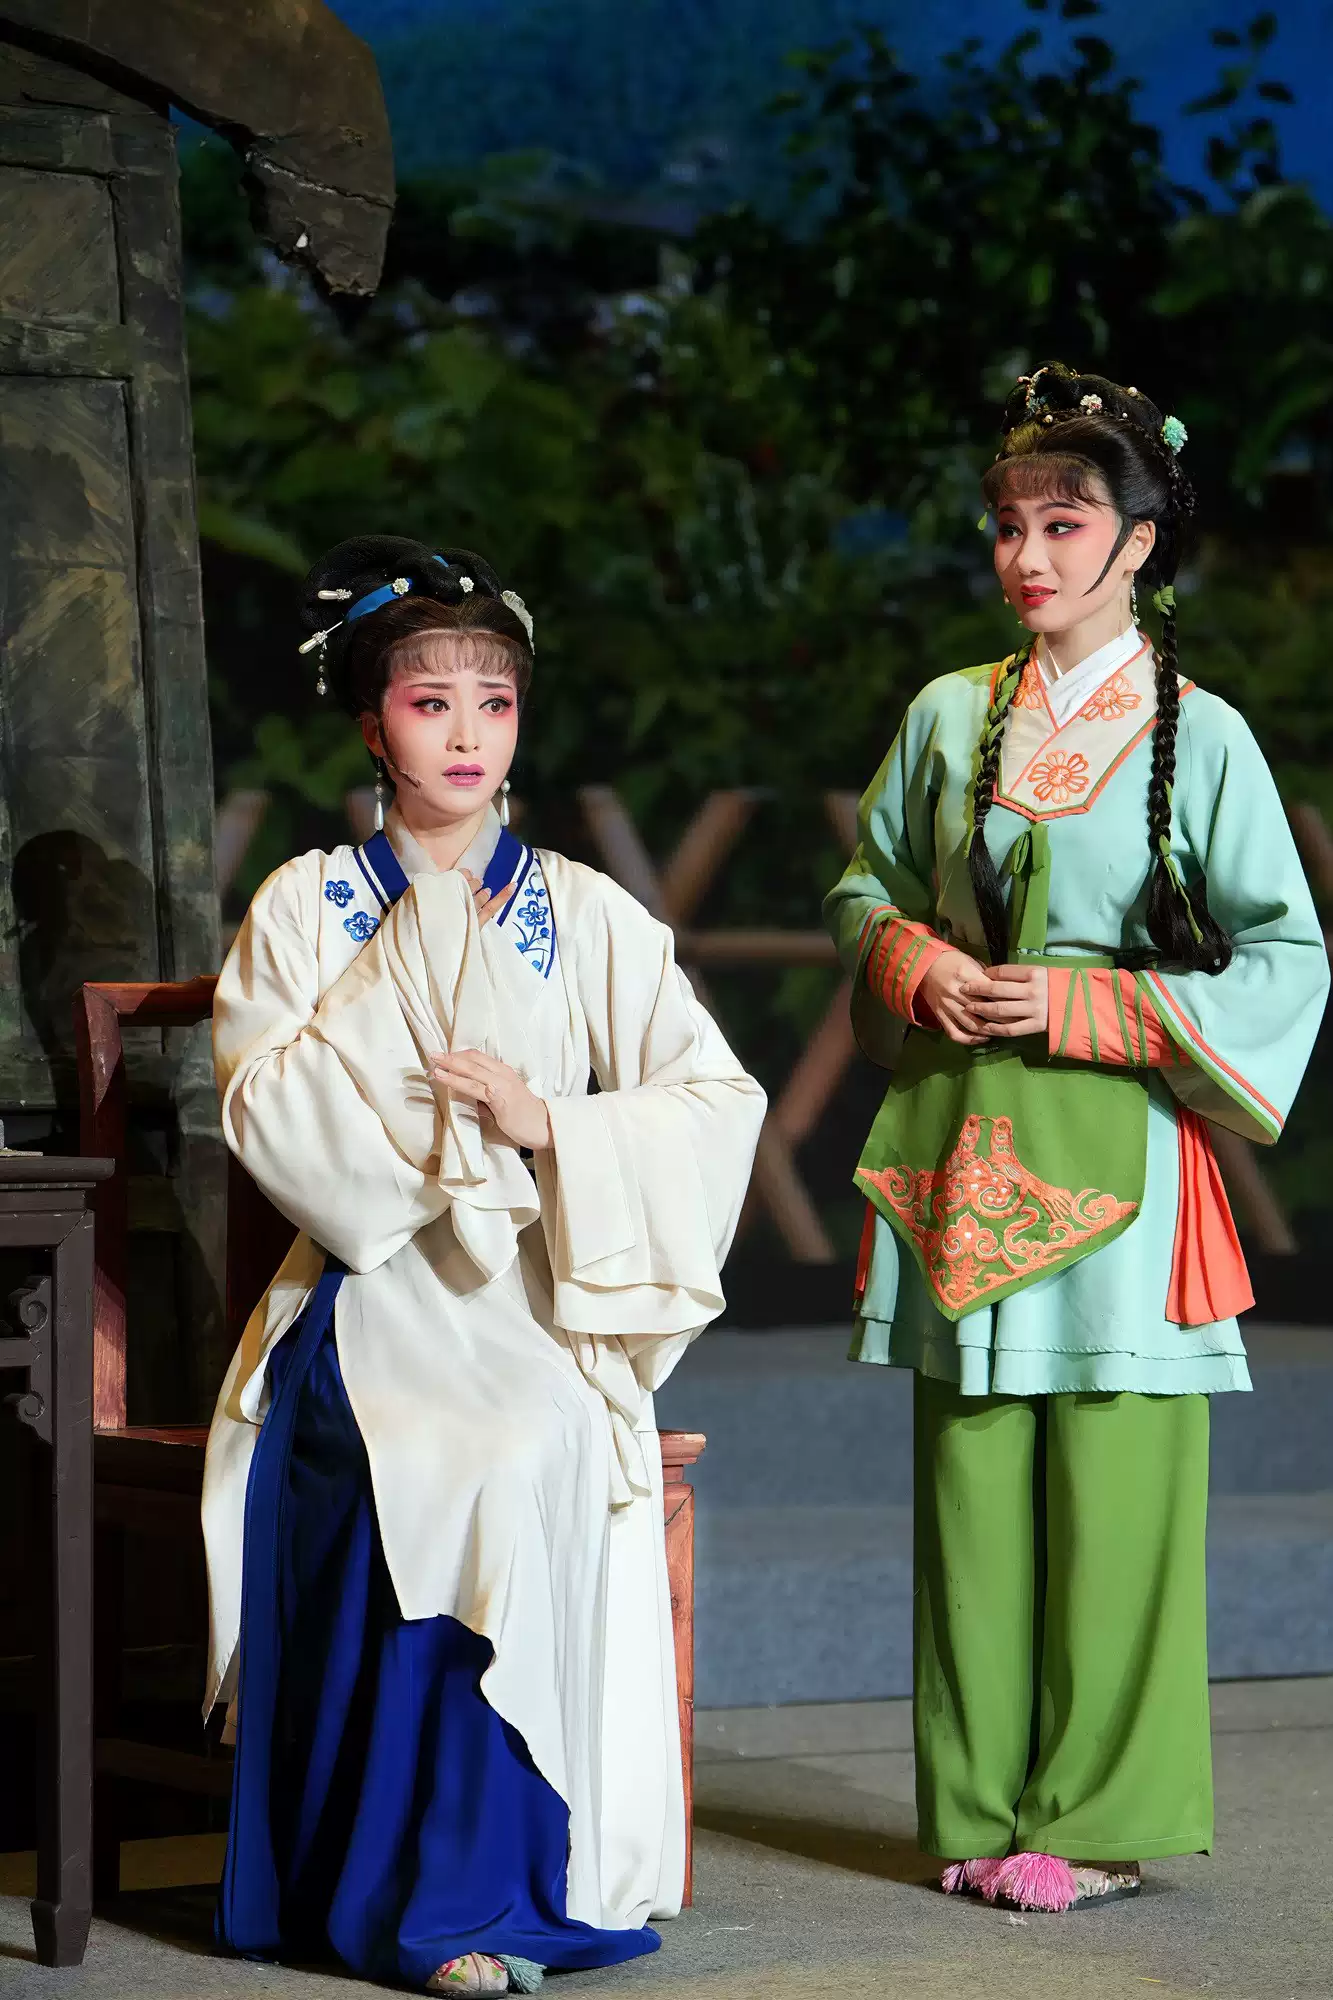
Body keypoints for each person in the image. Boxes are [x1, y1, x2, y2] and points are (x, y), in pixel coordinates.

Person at [202, 535, 766, 1993]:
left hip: (530, 1291)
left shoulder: (586, 912)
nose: (466, 734)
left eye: (493, 704)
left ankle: (499, 1884)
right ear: (371, 724)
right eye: (429, 702)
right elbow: (264, 1106)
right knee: (466, 1457)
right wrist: (407, 946)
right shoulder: (306, 904)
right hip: (365, 1292)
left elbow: (717, 1099)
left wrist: (551, 1124)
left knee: (538, 1441)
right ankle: (418, 1901)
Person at [824, 362, 1328, 1913]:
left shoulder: (1204, 737)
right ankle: (978, 1811)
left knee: (1118, 1500)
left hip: (1126, 1163)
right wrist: (917, 963)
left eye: (1065, 524)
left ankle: (1096, 1822)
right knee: (971, 1498)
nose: (1028, 555)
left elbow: (1289, 958)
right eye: (1009, 525)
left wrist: (1095, 1004)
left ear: (1142, 542)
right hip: (968, 1155)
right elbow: (863, 889)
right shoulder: (946, 714)